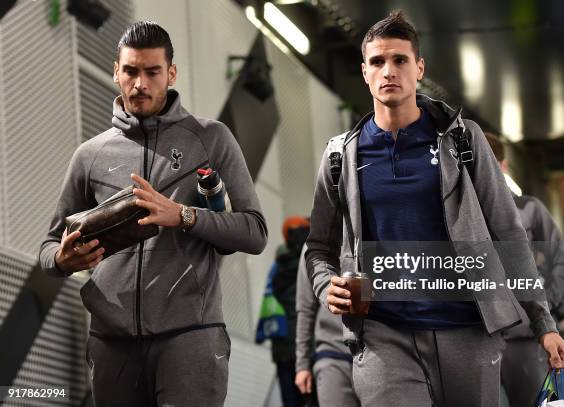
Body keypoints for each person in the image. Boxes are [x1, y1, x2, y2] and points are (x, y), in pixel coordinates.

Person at [305, 10, 564, 407]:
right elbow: (318, 250)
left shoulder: (463, 140)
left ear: (419, 68)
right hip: (383, 336)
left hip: (468, 332)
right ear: (364, 72)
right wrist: (328, 286)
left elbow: (508, 233)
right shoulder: (339, 157)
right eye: (377, 61)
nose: (388, 71)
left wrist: (542, 323)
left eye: (400, 60)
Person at [39, 21, 267, 407]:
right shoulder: (90, 155)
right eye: (130, 71)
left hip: (191, 337)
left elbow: (254, 232)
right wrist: (63, 259)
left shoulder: (211, 138)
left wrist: (183, 215)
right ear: (116, 72)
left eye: (152, 72)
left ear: (171, 73)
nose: (139, 83)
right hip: (112, 342)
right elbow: (48, 249)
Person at [484, 132, 564, 407]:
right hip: (481, 340)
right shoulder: (461, 218)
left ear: (503, 166)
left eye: (488, 165)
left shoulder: (529, 209)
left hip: (527, 338)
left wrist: (545, 307)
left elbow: (561, 260)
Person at [295, 244, 360, 407]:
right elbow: (305, 308)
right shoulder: (313, 245)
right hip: (332, 355)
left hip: (378, 354)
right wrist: (302, 364)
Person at [268, 216, 310, 407]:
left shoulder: (278, 266)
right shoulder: (315, 264)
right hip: (309, 344)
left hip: (282, 343)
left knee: (290, 400)